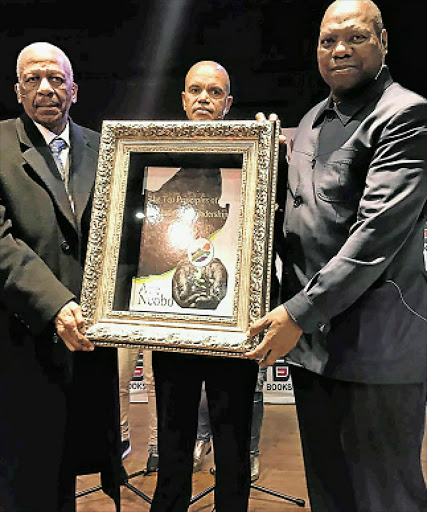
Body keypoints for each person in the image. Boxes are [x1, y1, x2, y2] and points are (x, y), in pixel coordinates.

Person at [247, 1, 427, 511]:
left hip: (376, 351)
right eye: (327, 41)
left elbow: (375, 237)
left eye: (355, 37)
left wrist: (297, 313)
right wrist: (258, 159)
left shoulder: (405, 114)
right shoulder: (310, 119)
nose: (339, 49)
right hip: (313, 353)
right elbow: (296, 214)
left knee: (387, 498)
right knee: (330, 495)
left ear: (384, 41)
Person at [0, 42, 121, 512]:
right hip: (22, 340)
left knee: (69, 467)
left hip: (88, 346)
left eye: (55, 78)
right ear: (18, 91)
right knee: (23, 474)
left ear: (73, 89)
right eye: (33, 79)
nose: (45, 88)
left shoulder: (108, 147)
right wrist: (54, 304)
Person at [150, 61, 259, 512]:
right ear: (182, 99)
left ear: (228, 104)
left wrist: (275, 153)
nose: (203, 99)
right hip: (172, 319)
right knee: (173, 430)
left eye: (215, 92)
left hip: (231, 317)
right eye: (195, 90)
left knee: (231, 434)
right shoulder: (155, 153)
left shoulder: (249, 152)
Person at [118, 347, 159, 471]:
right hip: (126, 328)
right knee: (120, 380)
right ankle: (122, 438)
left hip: (153, 329)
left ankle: (156, 443)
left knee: (152, 382)